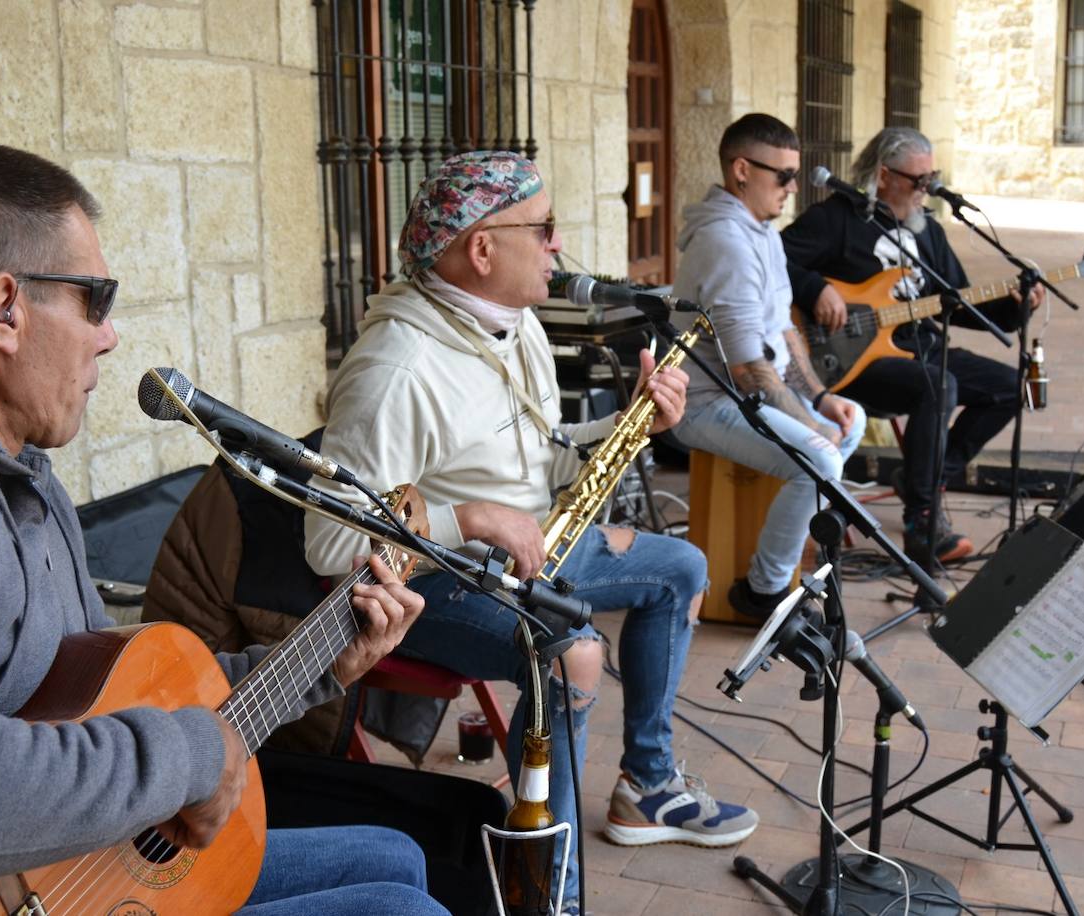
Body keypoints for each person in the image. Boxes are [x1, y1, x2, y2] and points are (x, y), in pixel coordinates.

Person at [0, 142, 445, 916]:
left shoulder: (17, 477)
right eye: (94, 299)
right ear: (6, 309)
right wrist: (190, 757)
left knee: (396, 857)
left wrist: (322, 663)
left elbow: (116, 706)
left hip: (89, 868)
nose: (108, 335)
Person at [302, 150, 759, 915]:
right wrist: (470, 519)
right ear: (481, 250)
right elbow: (326, 544)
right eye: (543, 228)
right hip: (434, 577)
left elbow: (545, 450)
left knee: (681, 566)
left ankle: (647, 784)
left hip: (530, 546)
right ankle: (551, 898)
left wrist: (633, 422)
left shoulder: (512, 324)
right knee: (571, 655)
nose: (558, 245)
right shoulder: (396, 369)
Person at [782, 126, 1043, 564]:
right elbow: (771, 257)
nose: (929, 190)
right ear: (884, 176)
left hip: (920, 348)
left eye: (933, 178)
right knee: (936, 388)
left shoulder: (929, 233)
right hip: (851, 359)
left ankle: (926, 478)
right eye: (920, 181)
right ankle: (923, 521)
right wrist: (813, 289)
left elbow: (957, 305)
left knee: (1010, 386)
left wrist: (1017, 309)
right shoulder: (835, 219)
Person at [669, 113, 866, 618]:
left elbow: (783, 333)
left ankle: (804, 543)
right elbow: (746, 370)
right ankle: (764, 590)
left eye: (795, 175)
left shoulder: (763, 234)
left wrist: (822, 400)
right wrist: (814, 427)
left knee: (851, 418)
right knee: (820, 460)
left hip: (753, 390)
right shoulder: (725, 243)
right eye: (783, 176)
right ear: (741, 170)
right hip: (707, 402)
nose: (793, 188)